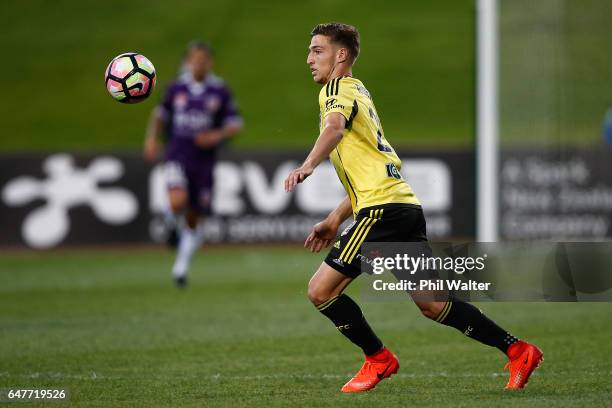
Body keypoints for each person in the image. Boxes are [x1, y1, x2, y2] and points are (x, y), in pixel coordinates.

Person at [284, 22, 543, 393]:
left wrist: (308, 164)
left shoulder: (337, 90)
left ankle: (378, 358)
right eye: (310, 51)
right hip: (401, 208)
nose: (309, 58)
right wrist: (334, 217)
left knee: (321, 291)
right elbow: (379, 166)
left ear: (341, 55)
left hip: (381, 212)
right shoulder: (360, 93)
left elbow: (335, 128)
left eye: (317, 50)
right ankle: (518, 350)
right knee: (433, 303)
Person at [144, 41, 242, 287]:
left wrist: (215, 136)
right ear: (187, 61)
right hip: (177, 154)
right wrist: (152, 139)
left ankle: (181, 267)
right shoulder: (176, 87)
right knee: (177, 201)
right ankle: (169, 223)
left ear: (210, 62)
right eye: (194, 59)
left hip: (204, 161)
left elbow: (235, 123)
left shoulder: (219, 91)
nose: (198, 63)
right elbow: (159, 115)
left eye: (203, 59)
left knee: (195, 217)